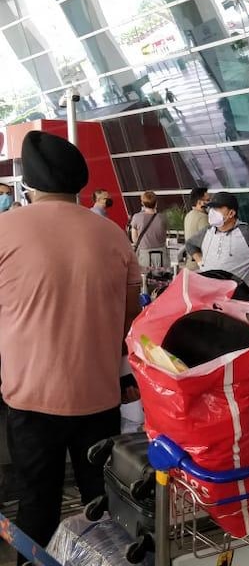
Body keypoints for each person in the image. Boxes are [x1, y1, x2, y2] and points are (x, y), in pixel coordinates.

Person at [0, 131, 141, 562]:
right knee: (104, 504)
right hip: (98, 396)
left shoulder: (5, 229)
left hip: (29, 397)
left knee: (36, 503)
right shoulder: (113, 235)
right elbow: (129, 323)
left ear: (30, 183)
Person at [185, 192, 249, 286]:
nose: (212, 212)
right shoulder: (207, 232)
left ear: (231, 213)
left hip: (234, 295)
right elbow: (190, 244)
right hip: (206, 291)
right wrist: (200, 261)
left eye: (217, 208)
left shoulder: (247, 234)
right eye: (211, 208)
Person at [130, 191, 168, 269]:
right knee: (163, 279)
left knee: (146, 279)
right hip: (162, 254)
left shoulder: (137, 217)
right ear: (156, 203)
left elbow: (134, 239)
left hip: (145, 255)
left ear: (142, 203)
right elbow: (164, 235)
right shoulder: (163, 218)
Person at [184, 187, 210, 270]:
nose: (210, 203)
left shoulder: (188, 215)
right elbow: (207, 242)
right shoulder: (203, 218)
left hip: (190, 262)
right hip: (200, 264)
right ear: (200, 202)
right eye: (207, 200)